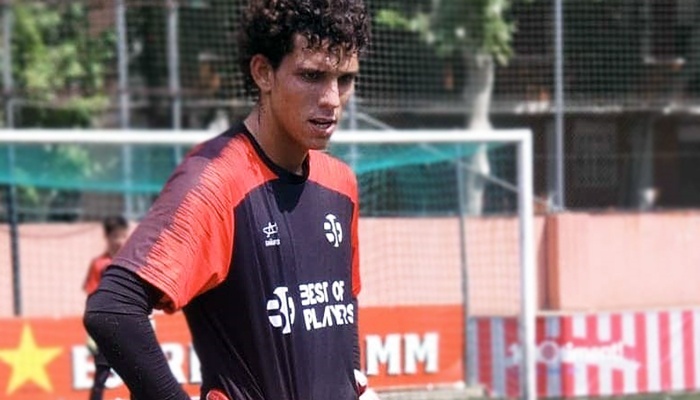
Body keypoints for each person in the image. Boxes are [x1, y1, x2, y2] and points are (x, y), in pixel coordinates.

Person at [83, 0, 378, 399]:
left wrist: (353, 383)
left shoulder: (341, 184)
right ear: (263, 73)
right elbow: (112, 310)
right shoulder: (215, 181)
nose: (332, 98)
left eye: (344, 79)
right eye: (312, 75)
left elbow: (341, 310)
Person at [83, 215, 129, 400]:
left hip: (128, 326)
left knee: (138, 374)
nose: (119, 241)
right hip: (105, 329)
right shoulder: (98, 265)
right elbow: (91, 298)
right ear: (107, 237)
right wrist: (90, 331)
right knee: (101, 376)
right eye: (115, 236)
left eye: (123, 235)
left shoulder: (132, 262)